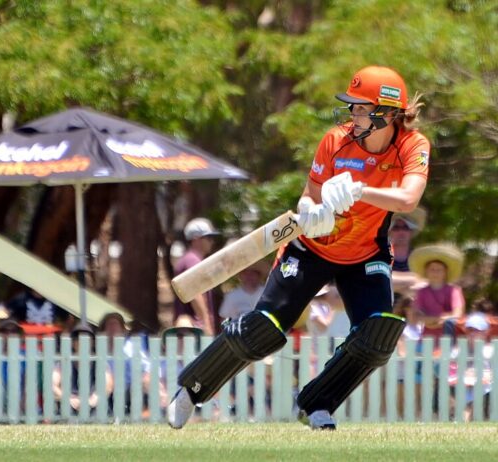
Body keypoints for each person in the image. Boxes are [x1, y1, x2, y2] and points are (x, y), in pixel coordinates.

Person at [167, 65, 430, 430]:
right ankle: (192, 389)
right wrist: (312, 212)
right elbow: (309, 194)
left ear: (385, 113)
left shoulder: (412, 145)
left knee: (378, 336)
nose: (352, 115)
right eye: (351, 107)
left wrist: (358, 190)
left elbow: (407, 199)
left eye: (359, 108)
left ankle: (316, 405)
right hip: (310, 249)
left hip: (364, 254)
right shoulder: (335, 141)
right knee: (263, 329)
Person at [409, 243, 466, 345]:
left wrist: (432, 320)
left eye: (439, 270)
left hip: (450, 338)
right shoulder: (421, 292)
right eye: (432, 269)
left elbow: (457, 315)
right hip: (426, 338)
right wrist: (436, 320)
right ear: (426, 271)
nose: (435, 273)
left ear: (445, 272)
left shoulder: (454, 290)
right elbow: (416, 316)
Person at [173, 217, 221, 335]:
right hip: (194, 329)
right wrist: (206, 324)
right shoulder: (192, 260)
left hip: (190, 329)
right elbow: (195, 293)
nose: (212, 242)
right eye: (209, 238)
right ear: (196, 239)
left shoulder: (188, 259)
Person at [389, 207, 427, 296]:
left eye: (406, 227)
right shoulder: (380, 254)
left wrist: (396, 284)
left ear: (411, 231)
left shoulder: (420, 258)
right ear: (389, 231)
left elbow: (428, 285)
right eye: (396, 227)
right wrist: (413, 279)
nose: (401, 231)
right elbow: (379, 280)